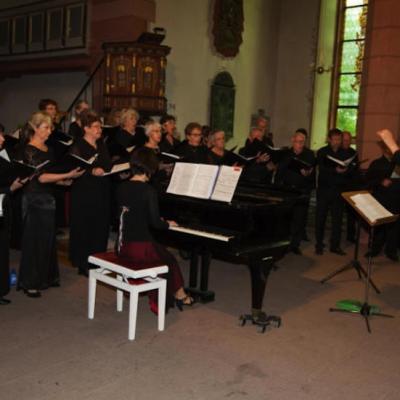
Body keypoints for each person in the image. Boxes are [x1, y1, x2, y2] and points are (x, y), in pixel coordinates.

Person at [116, 147, 194, 312]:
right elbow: (155, 224)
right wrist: (167, 224)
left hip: (122, 245)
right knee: (170, 261)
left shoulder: (121, 187)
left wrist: (156, 220)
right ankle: (180, 295)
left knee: (162, 253)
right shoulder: (148, 190)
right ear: (151, 167)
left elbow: (130, 214)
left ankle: (178, 294)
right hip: (140, 248)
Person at [17, 112, 83, 297]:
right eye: (46, 127)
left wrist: (64, 182)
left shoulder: (49, 149)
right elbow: (40, 177)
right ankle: (30, 283)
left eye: (50, 127)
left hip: (48, 198)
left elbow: (51, 176)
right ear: (35, 129)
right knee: (33, 242)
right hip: (33, 199)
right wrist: (66, 176)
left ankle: (47, 277)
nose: (49, 131)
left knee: (47, 240)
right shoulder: (28, 149)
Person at [69, 110, 112, 276]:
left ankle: (97, 260)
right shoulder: (77, 145)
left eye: (100, 127)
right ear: (86, 128)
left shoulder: (101, 144)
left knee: (100, 225)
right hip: (84, 191)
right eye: (95, 127)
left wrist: (104, 169)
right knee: (84, 225)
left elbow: (107, 164)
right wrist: (91, 171)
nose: (99, 130)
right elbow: (74, 167)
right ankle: (83, 262)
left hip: (101, 189)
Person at [275, 132, 316, 254]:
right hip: (287, 190)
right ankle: (284, 244)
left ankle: (295, 245)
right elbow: (279, 172)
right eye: (297, 142)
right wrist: (277, 188)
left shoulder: (309, 154)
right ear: (292, 140)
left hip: (302, 190)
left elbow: (312, 174)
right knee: (286, 219)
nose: (299, 144)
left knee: (299, 219)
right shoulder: (286, 154)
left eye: (302, 142)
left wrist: (308, 175)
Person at [315, 128, 351, 255]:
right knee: (320, 218)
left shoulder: (345, 153)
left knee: (337, 220)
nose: (337, 142)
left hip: (338, 191)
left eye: (339, 139)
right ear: (329, 139)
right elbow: (322, 170)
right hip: (324, 190)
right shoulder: (322, 152)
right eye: (334, 139)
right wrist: (335, 171)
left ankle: (334, 245)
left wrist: (346, 170)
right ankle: (319, 244)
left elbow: (349, 171)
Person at [0, 132, 26, 304]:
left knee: (2, 250)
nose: (3, 139)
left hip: (2, 208)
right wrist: (11, 188)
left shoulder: (3, 157)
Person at [366, 141, 400, 261]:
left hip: (396, 199)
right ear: (385, 150)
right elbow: (368, 182)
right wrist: (381, 182)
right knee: (379, 226)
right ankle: (374, 249)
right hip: (381, 198)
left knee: (394, 227)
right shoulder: (376, 163)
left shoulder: (398, 163)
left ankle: (391, 251)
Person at [341, 131, 359, 243]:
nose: (347, 142)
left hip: (350, 185)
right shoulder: (337, 151)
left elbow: (355, 169)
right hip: (338, 186)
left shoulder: (353, 153)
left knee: (351, 214)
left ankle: (350, 236)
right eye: (345, 140)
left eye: (349, 140)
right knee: (337, 213)